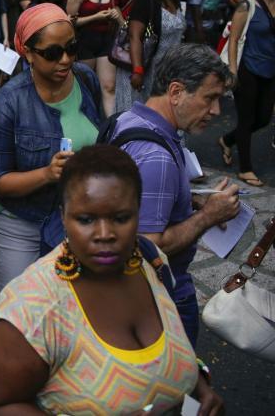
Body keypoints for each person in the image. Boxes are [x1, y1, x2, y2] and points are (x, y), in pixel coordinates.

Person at [0, 145, 223, 415]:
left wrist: (199, 389)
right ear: (63, 216)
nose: (104, 234)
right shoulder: (27, 309)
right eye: (86, 219)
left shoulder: (151, 261)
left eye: (120, 218)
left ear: (138, 213)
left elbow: (169, 354)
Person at [106, 43, 238, 346]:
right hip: (161, 300)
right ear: (176, 92)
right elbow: (146, 247)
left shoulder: (126, 119)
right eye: (210, 98)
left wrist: (187, 200)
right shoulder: (157, 156)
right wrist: (208, 216)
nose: (216, 111)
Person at [0, 3, 101, 292]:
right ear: (28, 53)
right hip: (20, 222)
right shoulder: (8, 102)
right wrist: (48, 174)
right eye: (52, 53)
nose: (65, 60)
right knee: (20, 314)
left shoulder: (86, 79)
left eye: (72, 48)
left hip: (74, 217)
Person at [218, 0, 275, 188]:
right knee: (247, 118)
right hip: (248, 69)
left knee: (263, 118)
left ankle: (227, 140)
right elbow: (234, 39)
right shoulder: (247, 5)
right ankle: (245, 169)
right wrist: (233, 69)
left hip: (270, 70)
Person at [115, 0, 186, 114]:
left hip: (168, 69)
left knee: (167, 116)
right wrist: (138, 71)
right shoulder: (146, 0)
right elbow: (135, 36)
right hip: (143, 67)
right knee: (138, 116)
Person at [66, 0, 122, 116]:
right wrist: (95, 17)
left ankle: (112, 126)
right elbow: (69, 21)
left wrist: (115, 15)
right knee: (86, 86)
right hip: (86, 41)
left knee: (109, 86)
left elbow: (116, 13)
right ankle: (88, 123)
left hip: (106, 39)